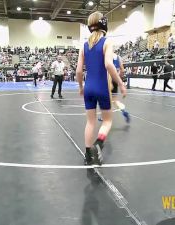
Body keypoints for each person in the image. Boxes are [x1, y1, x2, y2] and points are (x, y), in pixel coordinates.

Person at [76, 11, 126, 165]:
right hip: (102, 88)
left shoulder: (84, 46)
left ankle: (88, 155)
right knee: (107, 121)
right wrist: (121, 83)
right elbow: (109, 64)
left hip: (89, 88)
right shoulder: (106, 42)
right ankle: (98, 144)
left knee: (90, 122)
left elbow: (78, 71)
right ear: (104, 24)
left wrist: (81, 87)